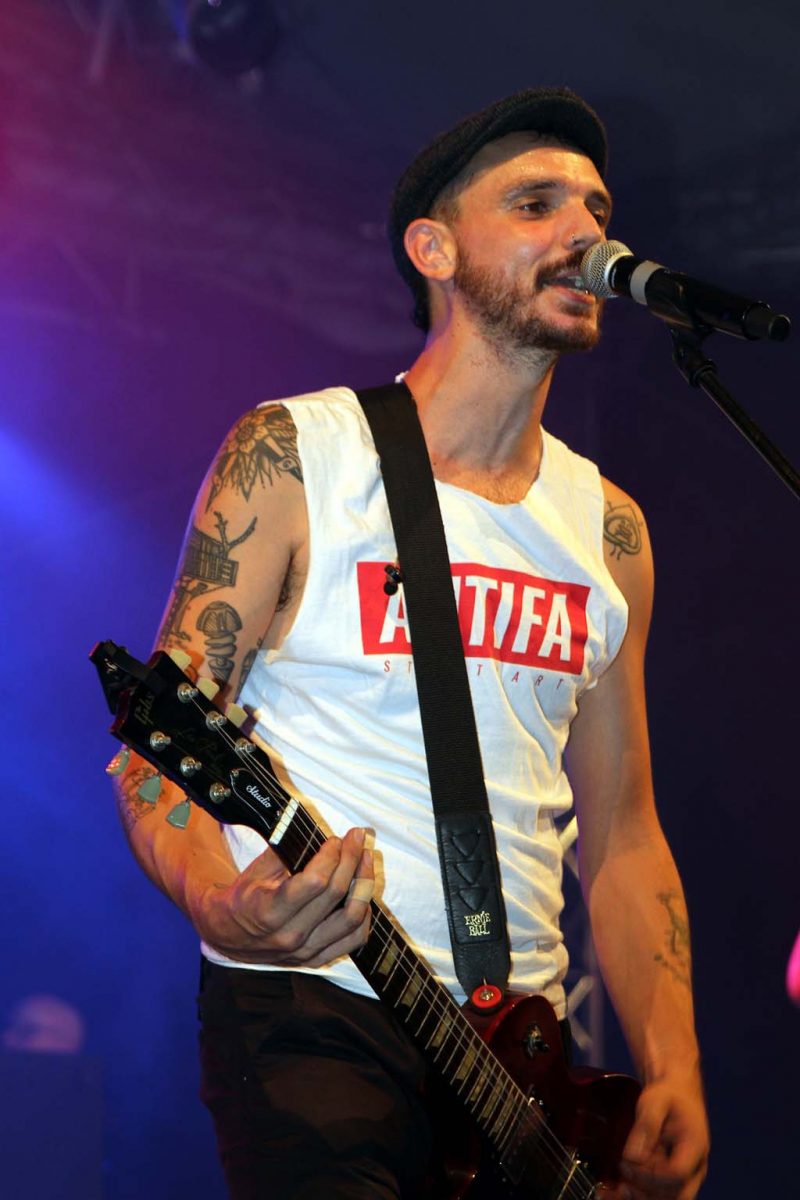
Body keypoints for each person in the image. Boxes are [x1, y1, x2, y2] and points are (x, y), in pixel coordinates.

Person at [112, 87, 710, 1198]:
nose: (584, 233)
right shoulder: (298, 455)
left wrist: (672, 1065)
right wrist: (221, 902)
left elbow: (623, 832)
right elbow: (157, 751)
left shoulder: (608, 529)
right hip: (318, 1002)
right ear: (433, 250)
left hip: (524, 1062)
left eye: (595, 207)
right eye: (533, 204)